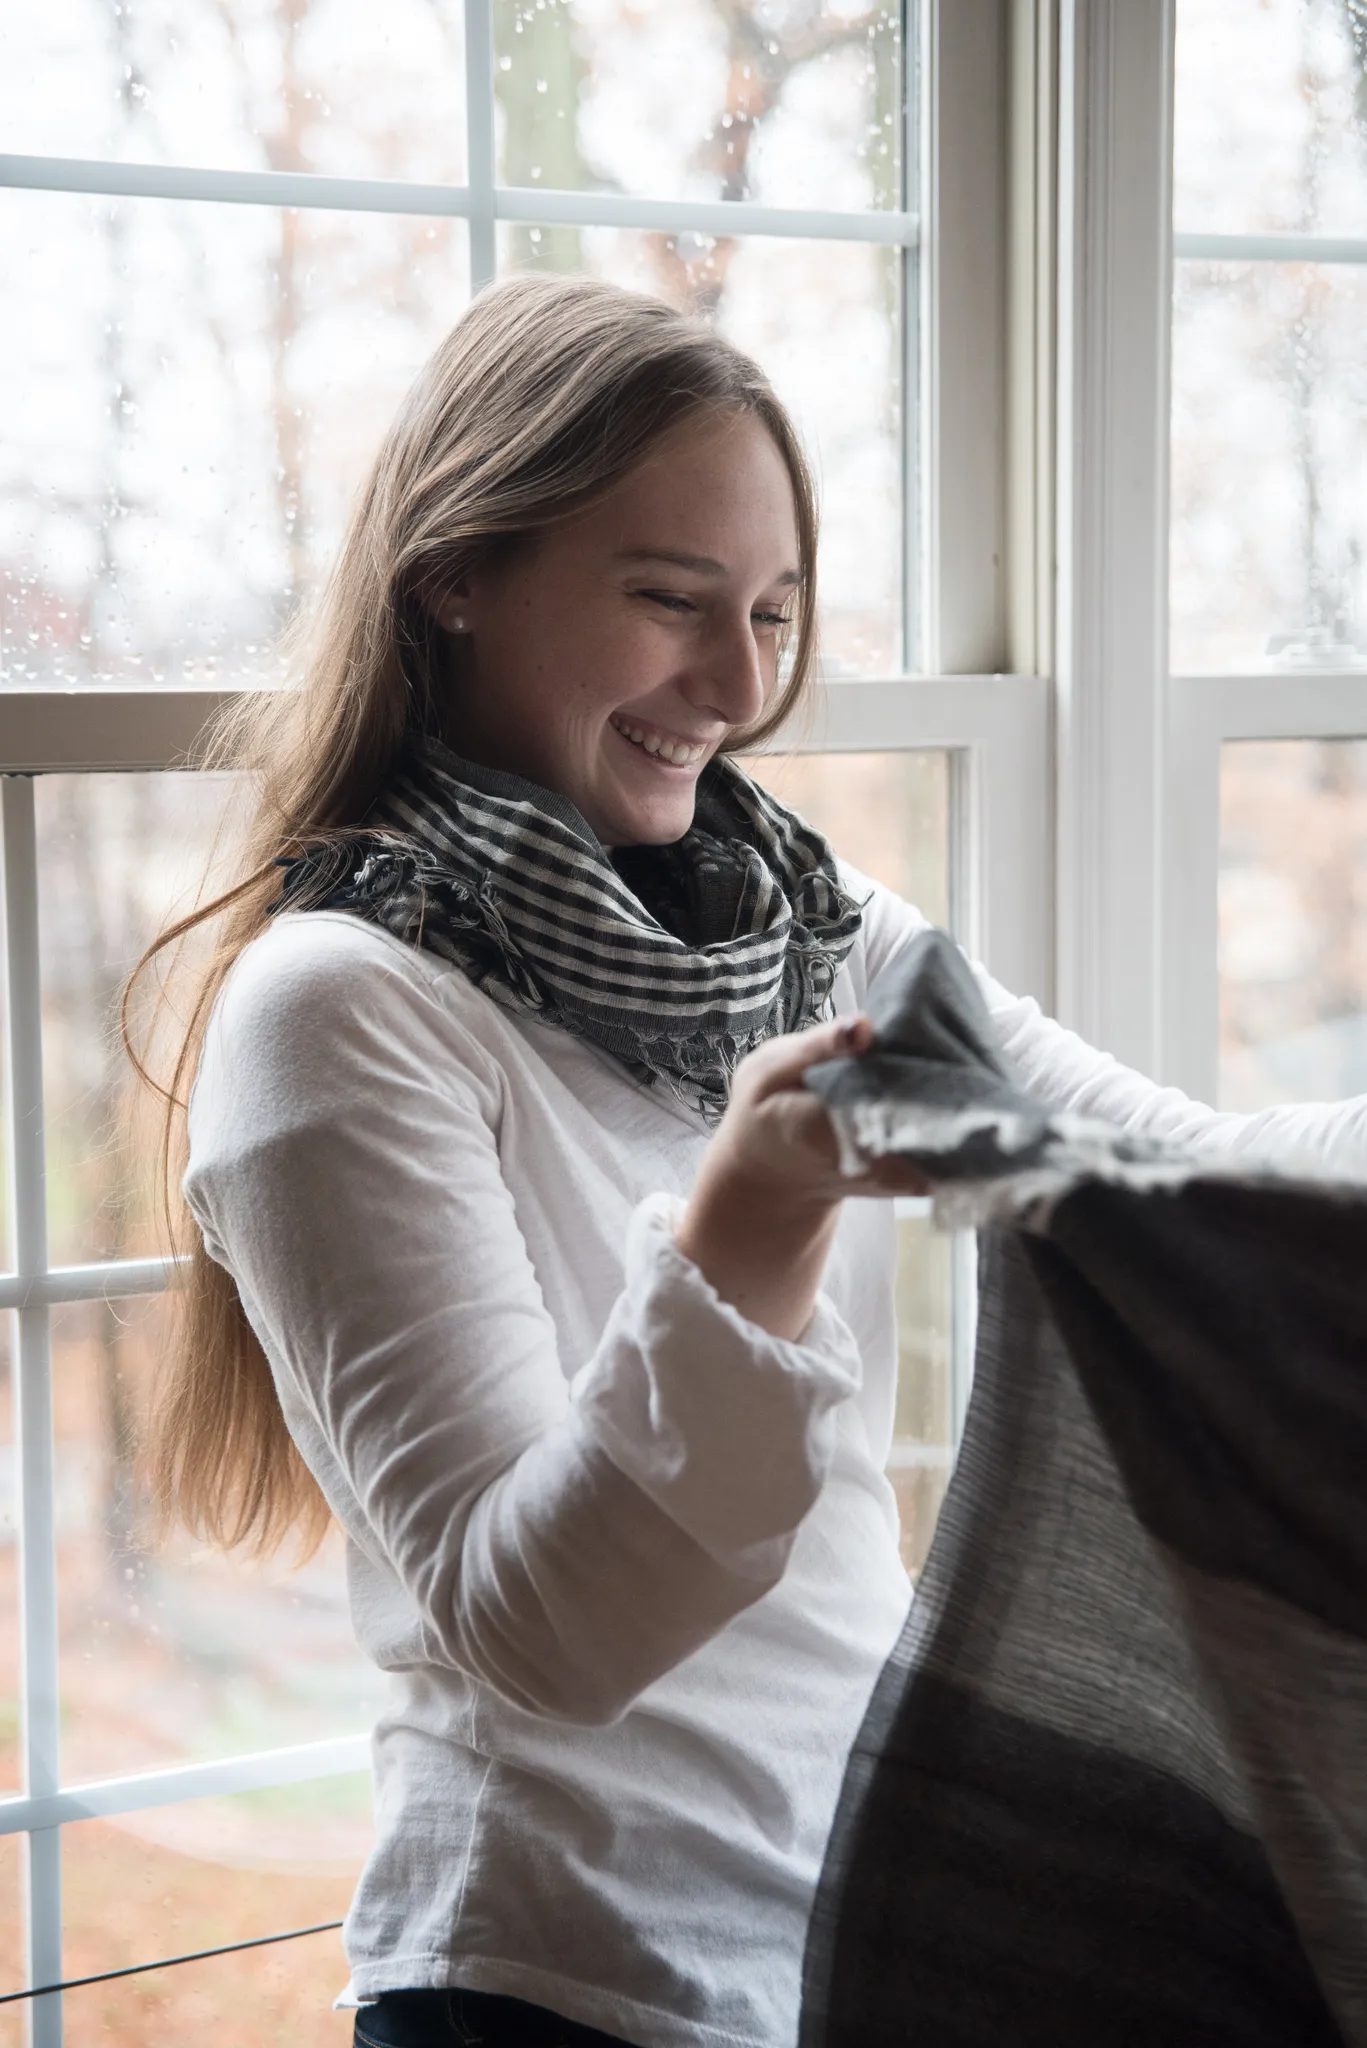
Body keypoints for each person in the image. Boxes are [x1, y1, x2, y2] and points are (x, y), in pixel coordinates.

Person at [130, 274, 1367, 2048]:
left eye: (775, 613)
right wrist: (753, 1219)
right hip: (553, 1987)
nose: (735, 684)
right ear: (453, 576)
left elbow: (1187, 1170)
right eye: (667, 601)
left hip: (857, 1949)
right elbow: (541, 1634)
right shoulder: (336, 1008)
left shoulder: (815, 934)